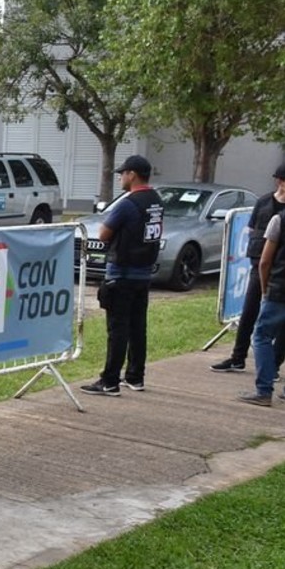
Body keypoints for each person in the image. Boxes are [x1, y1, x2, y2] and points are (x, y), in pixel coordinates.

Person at [82, 155, 163, 396]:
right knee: (138, 327)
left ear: (133, 175)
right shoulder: (156, 200)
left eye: (122, 173)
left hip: (122, 273)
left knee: (117, 329)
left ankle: (109, 381)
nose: (120, 177)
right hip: (143, 273)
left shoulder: (128, 203)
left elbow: (104, 234)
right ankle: (135, 377)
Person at [211, 164, 285, 373]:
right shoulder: (263, 202)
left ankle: (274, 365)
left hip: (281, 269)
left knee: (280, 321)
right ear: (280, 181)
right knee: (249, 311)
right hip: (259, 263)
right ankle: (237, 357)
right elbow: (252, 228)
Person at [238, 170, 285, 406]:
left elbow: (265, 260)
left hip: (279, 287)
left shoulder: (279, 220)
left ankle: (264, 390)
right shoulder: (265, 204)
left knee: (262, 335)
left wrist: (266, 287)